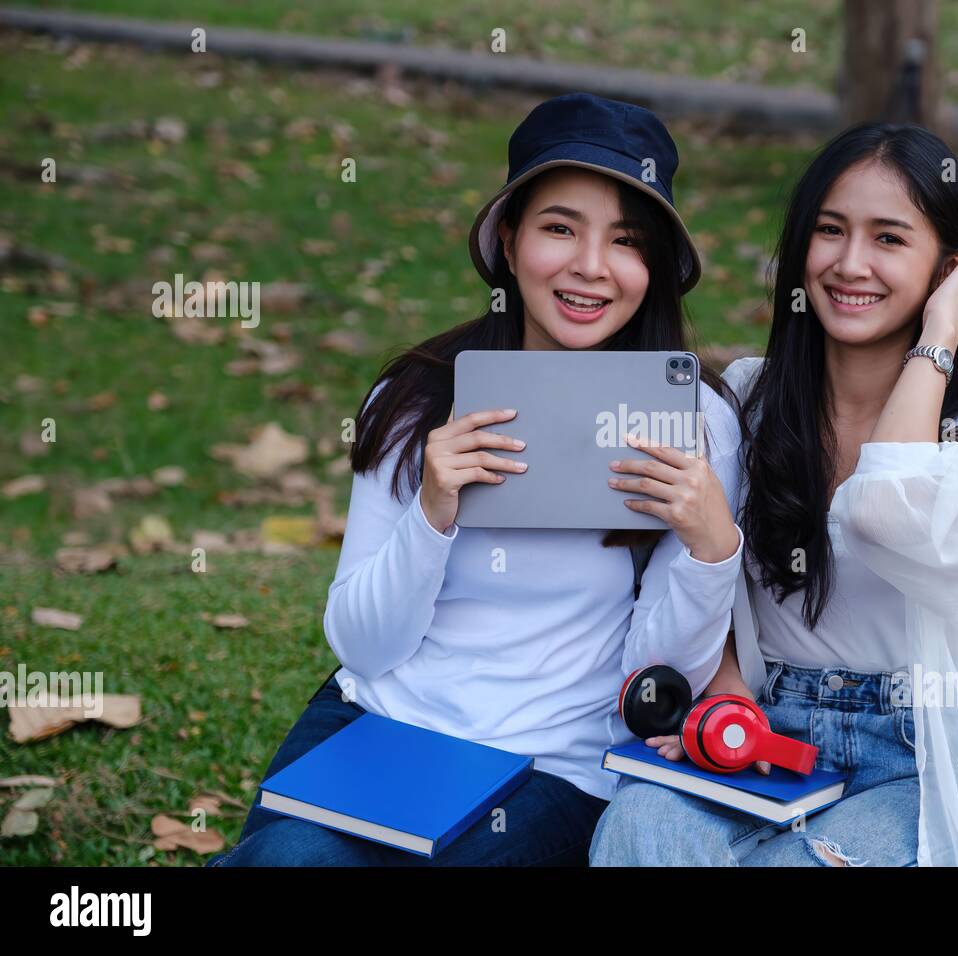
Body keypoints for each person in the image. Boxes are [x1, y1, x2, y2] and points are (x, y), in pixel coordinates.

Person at [208, 92, 745, 867]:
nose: (590, 268)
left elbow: (658, 681)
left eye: (626, 241)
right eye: (559, 228)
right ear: (508, 238)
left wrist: (709, 547)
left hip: (553, 765)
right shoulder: (416, 397)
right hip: (387, 726)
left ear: (654, 266)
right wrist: (432, 514)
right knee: (287, 862)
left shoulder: (695, 422)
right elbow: (363, 645)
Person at [590, 123, 958, 867]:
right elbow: (703, 576)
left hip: (914, 758)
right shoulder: (750, 397)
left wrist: (937, 339)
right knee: (640, 828)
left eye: (888, 239)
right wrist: (723, 694)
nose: (850, 264)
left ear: (951, 268)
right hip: (765, 726)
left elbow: (887, 514)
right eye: (830, 231)